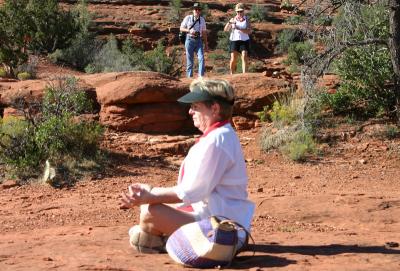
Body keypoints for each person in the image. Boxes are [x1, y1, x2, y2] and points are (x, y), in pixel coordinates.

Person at [120, 78, 255, 254]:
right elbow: (193, 193)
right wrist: (150, 194)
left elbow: (191, 192)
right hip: (218, 221)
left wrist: (149, 195)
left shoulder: (217, 140)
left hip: (223, 230)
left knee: (150, 213)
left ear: (214, 108)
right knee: (149, 209)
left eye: (196, 106)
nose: (190, 111)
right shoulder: (220, 136)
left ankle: (161, 241)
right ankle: (161, 239)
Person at [179, 2, 208, 78]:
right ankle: (189, 78)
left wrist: (206, 45)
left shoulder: (202, 20)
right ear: (193, 10)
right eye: (195, 9)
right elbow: (181, 28)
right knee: (190, 61)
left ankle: (201, 77)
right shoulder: (188, 18)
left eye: (198, 9)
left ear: (200, 11)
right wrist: (189, 30)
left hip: (199, 41)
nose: (197, 11)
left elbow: (204, 33)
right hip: (189, 40)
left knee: (201, 58)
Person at [224, 3, 252, 74]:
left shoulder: (247, 19)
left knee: (244, 56)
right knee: (233, 58)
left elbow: (249, 31)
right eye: (238, 11)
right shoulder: (233, 19)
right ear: (236, 12)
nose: (239, 13)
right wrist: (229, 22)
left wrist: (238, 28)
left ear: (244, 11)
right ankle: (232, 73)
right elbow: (226, 30)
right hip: (234, 40)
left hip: (244, 40)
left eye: (241, 11)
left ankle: (244, 74)